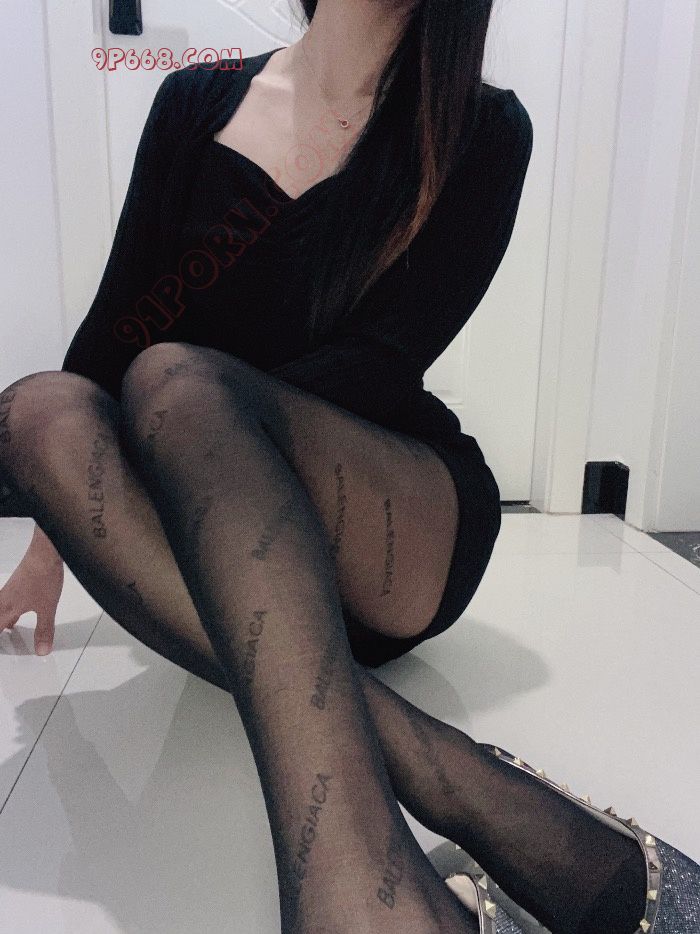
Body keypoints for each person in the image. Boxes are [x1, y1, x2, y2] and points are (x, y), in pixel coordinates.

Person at [1, 2, 698, 932]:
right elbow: (118, 324)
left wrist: (186, 444)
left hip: (389, 512)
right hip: (220, 541)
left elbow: (382, 363)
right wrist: (54, 543)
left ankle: (377, 884)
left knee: (177, 388)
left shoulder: (481, 129)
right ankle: (455, 788)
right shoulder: (193, 104)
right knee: (38, 410)